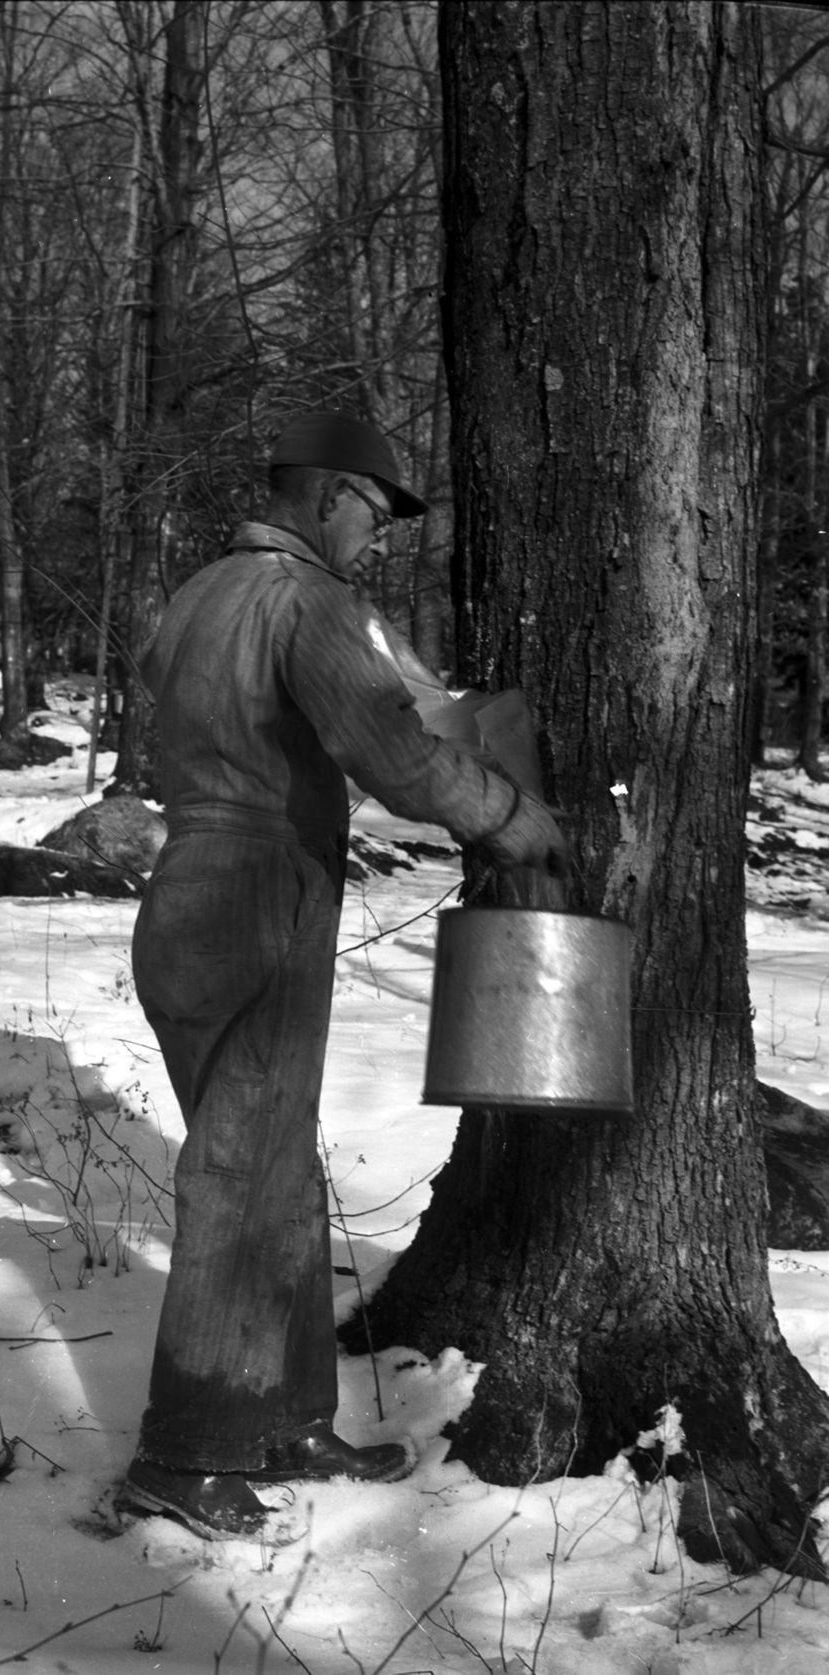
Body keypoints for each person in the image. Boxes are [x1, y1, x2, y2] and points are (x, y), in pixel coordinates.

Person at [116, 411, 567, 1540]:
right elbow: (397, 756)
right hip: (257, 892)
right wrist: (507, 813)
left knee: (272, 1165)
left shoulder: (196, 597)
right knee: (239, 1173)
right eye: (374, 511)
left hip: (183, 892)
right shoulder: (307, 600)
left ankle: (286, 1417)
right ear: (326, 495)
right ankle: (187, 1451)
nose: (376, 536)